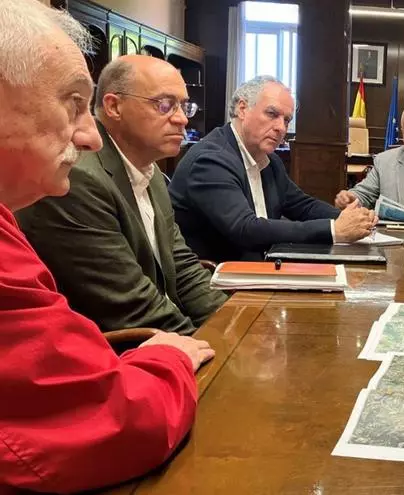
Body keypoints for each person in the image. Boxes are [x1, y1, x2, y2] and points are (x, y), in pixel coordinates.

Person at [0, 1, 214, 492]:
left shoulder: (153, 173)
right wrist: (174, 356)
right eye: (74, 102)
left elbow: (182, 266)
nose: (89, 137)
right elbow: (113, 423)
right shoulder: (75, 184)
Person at [16, 55, 227, 334]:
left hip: (164, 333)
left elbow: (181, 267)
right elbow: (132, 308)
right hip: (122, 346)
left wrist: (233, 325)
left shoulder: (152, 172)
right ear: (114, 106)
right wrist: (218, 346)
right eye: (164, 105)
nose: (182, 118)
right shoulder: (80, 179)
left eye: (184, 105)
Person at [169, 76, 376, 261]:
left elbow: (303, 205)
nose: (281, 128)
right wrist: (334, 230)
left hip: (262, 265)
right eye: (272, 114)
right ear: (242, 109)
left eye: (286, 120)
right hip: (219, 277)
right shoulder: (211, 160)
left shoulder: (270, 161)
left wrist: (354, 218)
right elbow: (245, 228)